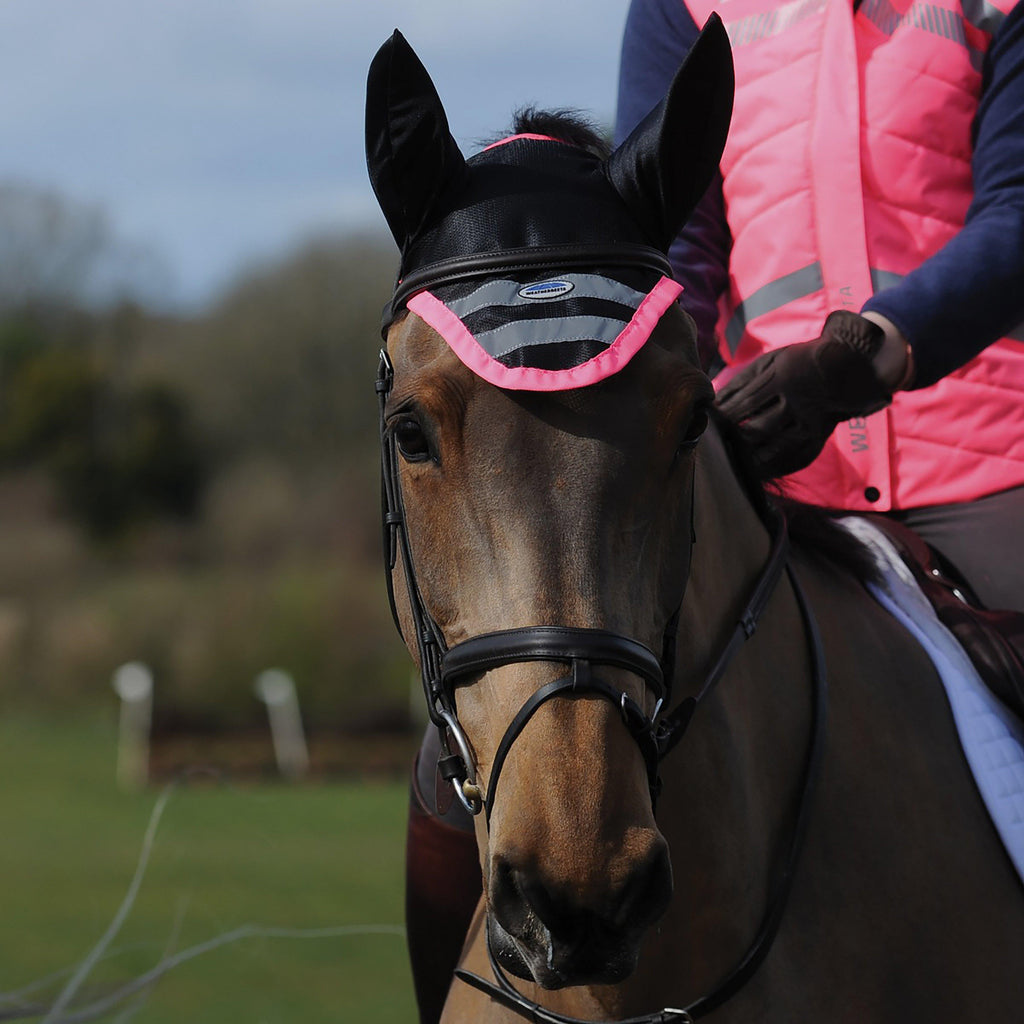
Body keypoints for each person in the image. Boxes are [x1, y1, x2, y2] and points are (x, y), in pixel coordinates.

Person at [616, 0, 1024, 613]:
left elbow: (1015, 210)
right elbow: (671, 234)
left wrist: (863, 357)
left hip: (991, 463)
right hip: (765, 462)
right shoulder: (677, 7)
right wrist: (669, 395)